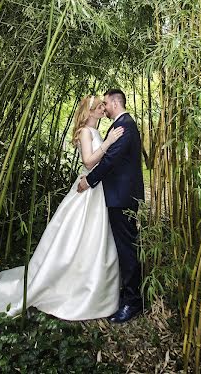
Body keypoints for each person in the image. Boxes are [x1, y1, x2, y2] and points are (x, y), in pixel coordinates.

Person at [0, 95, 124, 321]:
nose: (102, 108)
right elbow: (89, 162)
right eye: (98, 106)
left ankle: (90, 285)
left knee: (94, 239)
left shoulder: (99, 132)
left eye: (103, 105)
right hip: (87, 190)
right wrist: (109, 142)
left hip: (97, 190)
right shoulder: (85, 132)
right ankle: (69, 286)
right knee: (77, 239)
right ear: (88, 111)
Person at [78, 89, 145, 324]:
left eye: (105, 103)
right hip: (117, 196)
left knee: (126, 248)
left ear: (115, 103)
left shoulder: (125, 126)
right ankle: (124, 293)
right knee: (121, 246)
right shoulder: (120, 125)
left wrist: (90, 180)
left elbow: (110, 160)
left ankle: (133, 301)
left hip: (122, 197)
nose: (103, 107)